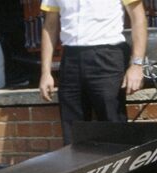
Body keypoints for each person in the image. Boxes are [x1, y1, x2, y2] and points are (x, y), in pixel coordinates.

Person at [39, 0, 148, 144]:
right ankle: (77, 165)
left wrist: (136, 65)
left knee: (113, 123)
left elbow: (138, 18)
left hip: (107, 55)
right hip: (71, 58)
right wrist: (46, 72)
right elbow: (50, 26)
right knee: (73, 129)